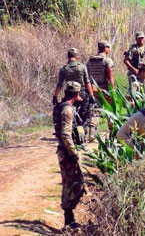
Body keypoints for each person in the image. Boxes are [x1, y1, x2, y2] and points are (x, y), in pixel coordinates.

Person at [53, 81, 85, 229]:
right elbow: (66, 134)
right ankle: (68, 220)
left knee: (70, 183)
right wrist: (73, 153)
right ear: (77, 94)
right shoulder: (67, 110)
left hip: (63, 150)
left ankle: (70, 219)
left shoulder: (61, 106)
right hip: (67, 152)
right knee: (73, 184)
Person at [53, 48, 95, 140]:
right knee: (83, 114)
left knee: (70, 113)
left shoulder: (64, 69)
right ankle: (82, 133)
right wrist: (91, 95)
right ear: (77, 56)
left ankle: (72, 133)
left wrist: (55, 96)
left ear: (68, 56)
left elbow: (60, 84)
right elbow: (87, 82)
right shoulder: (82, 67)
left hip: (69, 95)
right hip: (82, 93)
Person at [86, 40, 115, 140]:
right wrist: (112, 91)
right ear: (105, 48)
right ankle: (112, 134)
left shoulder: (90, 60)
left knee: (95, 110)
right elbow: (110, 76)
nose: (109, 49)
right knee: (110, 111)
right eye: (108, 47)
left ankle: (92, 133)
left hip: (94, 89)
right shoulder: (107, 61)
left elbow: (87, 75)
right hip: (105, 90)